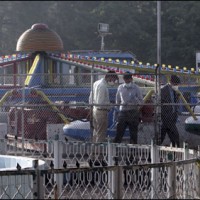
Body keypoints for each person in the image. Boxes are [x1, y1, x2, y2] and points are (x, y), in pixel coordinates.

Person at [113, 72, 144, 144]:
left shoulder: (136, 88)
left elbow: (141, 101)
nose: (127, 82)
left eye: (128, 80)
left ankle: (132, 153)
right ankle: (114, 151)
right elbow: (117, 101)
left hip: (133, 112)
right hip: (123, 112)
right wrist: (117, 111)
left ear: (131, 79)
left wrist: (136, 103)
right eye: (126, 80)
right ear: (124, 80)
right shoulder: (120, 87)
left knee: (133, 134)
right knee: (119, 132)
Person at [89, 70, 118, 142]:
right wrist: (110, 105)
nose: (113, 82)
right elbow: (100, 102)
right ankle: (99, 151)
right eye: (114, 80)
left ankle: (94, 149)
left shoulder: (96, 83)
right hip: (101, 111)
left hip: (95, 109)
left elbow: (91, 97)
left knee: (96, 132)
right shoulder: (103, 86)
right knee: (101, 133)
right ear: (110, 77)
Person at [160, 74, 181, 147]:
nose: (176, 85)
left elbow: (175, 103)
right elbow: (160, 103)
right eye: (175, 84)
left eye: (177, 84)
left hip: (172, 118)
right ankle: (151, 155)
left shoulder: (175, 91)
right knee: (175, 136)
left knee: (164, 138)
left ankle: (175, 155)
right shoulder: (163, 90)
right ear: (171, 82)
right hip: (165, 117)